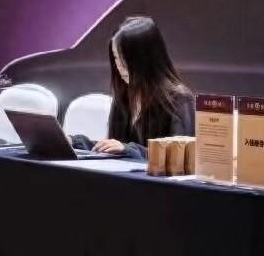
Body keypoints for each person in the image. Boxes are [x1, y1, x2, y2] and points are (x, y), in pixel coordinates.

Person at [71, 16, 194, 159]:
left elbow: (179, 157)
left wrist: (129, 150)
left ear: (146, 59)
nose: (120, 67)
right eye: (116, 58)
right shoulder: (123, 96)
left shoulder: (179, 100)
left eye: (125, 59)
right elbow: (112, 148)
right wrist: (75, 142)